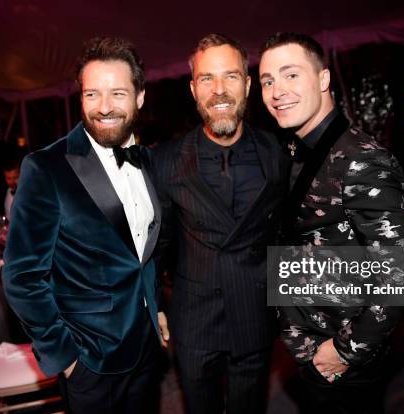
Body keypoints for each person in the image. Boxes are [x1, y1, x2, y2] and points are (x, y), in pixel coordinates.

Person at [3, 37, 168, 414]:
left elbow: (143, 252)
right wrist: (66, 357)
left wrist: (154, 308)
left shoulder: (147, 159)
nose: (104, 107)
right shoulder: (46, 167)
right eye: (92, 94)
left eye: (117, 93)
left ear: (140, 97)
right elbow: (21, 277)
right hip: (91, 359)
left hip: (146, 347)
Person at [259, 32, 404, 414]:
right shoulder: (298, 150)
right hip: (310, 343)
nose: (277, 90)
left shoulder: (360, 158)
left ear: (324, 80)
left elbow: (402, 273)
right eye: (267, 81)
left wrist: (344, 351)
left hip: (341, 354)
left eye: (291, 75)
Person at [152, 34, 289, 414]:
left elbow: (287, 234)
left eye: (230, 76)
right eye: (207, 79)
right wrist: (154, 305)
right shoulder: (165, 161)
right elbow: (158, 244)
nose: (219, 90)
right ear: (194, 89)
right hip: (194, 320)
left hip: (255, 315)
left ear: (246, 85)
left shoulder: (277, 154)